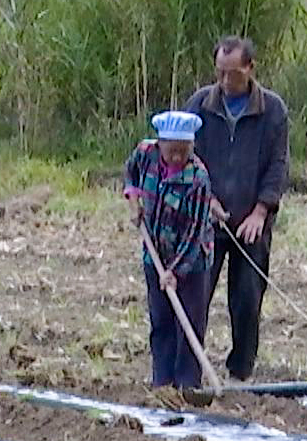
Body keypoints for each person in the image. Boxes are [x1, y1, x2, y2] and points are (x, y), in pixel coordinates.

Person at [185, 35, 289, 382]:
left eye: (232, 74)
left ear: (250, 68)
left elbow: (277, 164)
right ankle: (189, 367)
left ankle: (240, 370)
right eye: (220, 73)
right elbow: (186, 158)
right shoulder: (200, 105)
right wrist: (206, 199)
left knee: (246, 299)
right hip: (207, 218)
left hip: (251, 221)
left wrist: (261, 211)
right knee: (196, 294)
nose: (225, 81)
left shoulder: (272, 109)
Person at [124, 110, 216, 395]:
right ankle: (162, 383)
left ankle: (188, 385)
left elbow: (195, 231)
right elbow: (130, 172)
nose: (177, 157)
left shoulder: (198, 179)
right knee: (161, 320)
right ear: (160, 144)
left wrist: (175, 271)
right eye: (172, 151)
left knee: (188, 321)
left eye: (183, 152)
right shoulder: (145, 153)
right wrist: (133, 196)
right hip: (155, 252)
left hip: (192, 259)